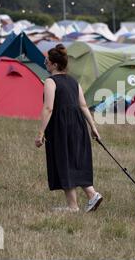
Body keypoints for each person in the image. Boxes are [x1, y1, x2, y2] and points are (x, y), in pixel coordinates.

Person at [35, 44, 103, 213]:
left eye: (47, 62)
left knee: (64, 160)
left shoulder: (50, 82)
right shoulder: (74, 81)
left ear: (55, 65)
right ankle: (89, 196)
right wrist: (93, 127)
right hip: (78, 125)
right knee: (75, 160)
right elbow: (83, 105)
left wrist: (41, 132)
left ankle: (75, 205)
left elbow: (48, 108)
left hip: (61, 126)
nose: (45, 64)